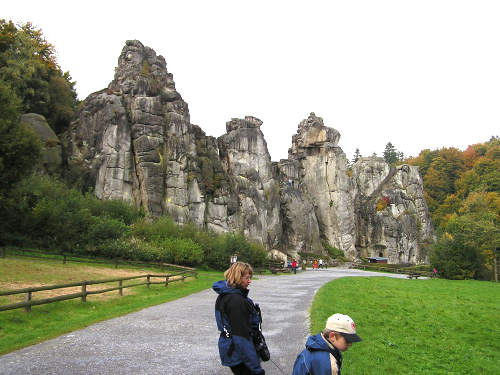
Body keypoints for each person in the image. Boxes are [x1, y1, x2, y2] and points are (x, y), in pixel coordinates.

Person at [213, 262, 265, 375]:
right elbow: (241, 338)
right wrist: (256, 368)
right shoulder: (236, 301)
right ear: (237, 277)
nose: (250, 281)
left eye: (250, 278)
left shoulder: (226, 295)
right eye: (247, 278)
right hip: (238, 353)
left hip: (232, 349)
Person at [292, 313, 362, 375]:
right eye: (347, 340)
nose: (350, 344)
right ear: (332, 336)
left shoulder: (317, 344)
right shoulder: (328, 363)